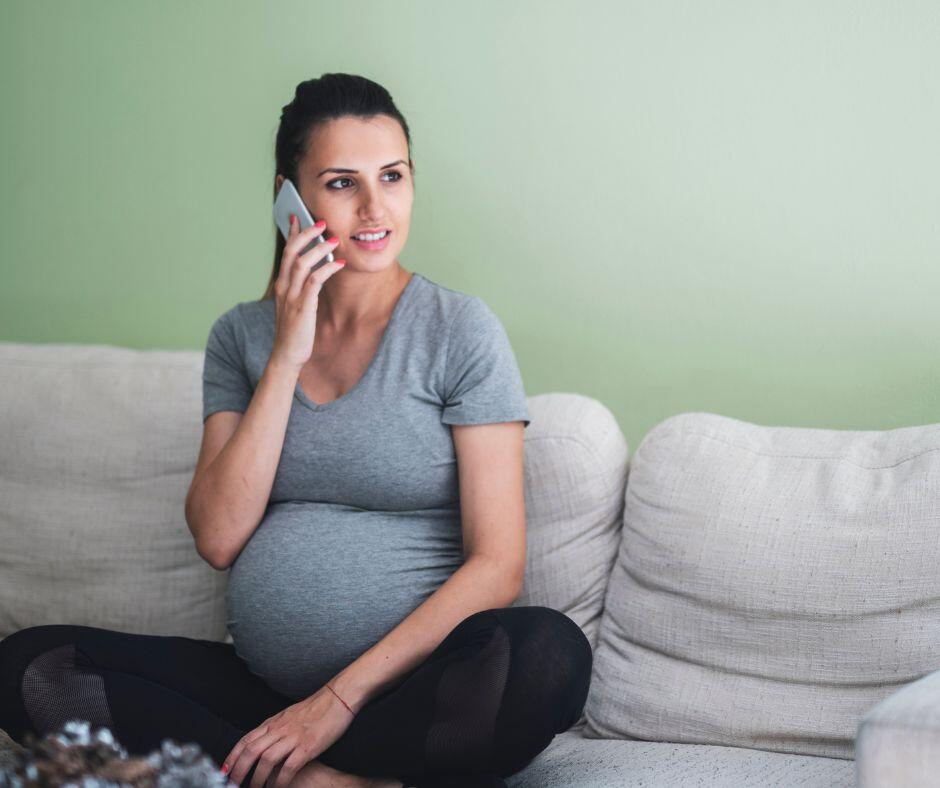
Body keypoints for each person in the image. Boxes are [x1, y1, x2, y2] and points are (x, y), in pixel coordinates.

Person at [0, 73, 592, 788]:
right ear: (291, 198)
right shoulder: (240, 339)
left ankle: (272, 769)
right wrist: (287, 353)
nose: (376, 208)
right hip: (262, 697)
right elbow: (219, 537)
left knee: (550, 653)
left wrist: (336, 701)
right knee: (32, 664)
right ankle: (321, 781)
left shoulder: (459, 331)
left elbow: (497, 564)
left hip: (403, 691)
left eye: (393, 177)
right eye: (342, 183)